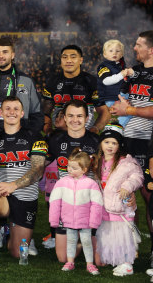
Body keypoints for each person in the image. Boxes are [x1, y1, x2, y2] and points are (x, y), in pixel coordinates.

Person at [0, 96, 47, 271]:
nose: (11, 112)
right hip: (4, 196)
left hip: (25, 197)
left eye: (16, 109)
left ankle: (7, 230)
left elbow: (38, 170)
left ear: (22, 113)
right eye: (7, 108)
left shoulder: (34, 137)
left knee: (17, 252)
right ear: (0, 113)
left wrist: (13, 185)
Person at [110, 30, 153, 252]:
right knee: (126, 194)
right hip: (130, 140)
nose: (134, 48)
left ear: (151, 49)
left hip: (150, 142)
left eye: (138, 45)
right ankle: (129, 250)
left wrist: (129, 109)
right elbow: (124, 102)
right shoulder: (134, 72)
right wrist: (119, 107)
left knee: (150, 196)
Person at [45, 100, 100, 258]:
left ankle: (85, 240)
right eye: (70, 116)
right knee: (63, 258)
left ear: (87, 117)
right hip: (67, 203)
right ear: (64, 117)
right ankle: (80, 242)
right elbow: (41, 165)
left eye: (79, 116)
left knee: (99, 260)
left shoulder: (96, 141)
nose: (75, 120)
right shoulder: (55, 141)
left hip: (89, 204)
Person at [94, 124, 143, 277]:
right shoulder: (97, 162)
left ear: (119, 145)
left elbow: (138, 176)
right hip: (104, 209)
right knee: (109, 237)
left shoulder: (126, 163)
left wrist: (127, 186)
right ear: (101, 143)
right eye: (107, 142)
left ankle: (127, 264)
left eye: (114, 143)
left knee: (123, 237)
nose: (110, 146)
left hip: (120, 209)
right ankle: (116, 259)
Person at [48, 149, 103, 275]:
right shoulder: (61, 182)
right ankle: (70, 261)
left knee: (86, 241)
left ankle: (90, 264)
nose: (69, 169)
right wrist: (54, 219)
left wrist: (94, 221)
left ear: (84, 170)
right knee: (71, 241)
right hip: (68, 220)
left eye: (74, 168)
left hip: (86, 221)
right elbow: (54, 201)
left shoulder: (91, 184)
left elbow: (97, 203)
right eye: (68, 166)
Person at [42, 44, 110, 134]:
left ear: (81, 60)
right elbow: (45, 112)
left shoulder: (92, 82)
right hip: (59, 135)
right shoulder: (52, 81)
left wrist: (94, 130)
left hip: (85, 134)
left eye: (73, 57)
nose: (68, 60)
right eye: (65, 57)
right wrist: (48, 131)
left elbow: (104, 112)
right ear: (61, 60)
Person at [97, 39, 133, 127]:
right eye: (111, 51)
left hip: (120, 95)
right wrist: (121, 74)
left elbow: (125, 80)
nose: (114, 53)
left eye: (118, 51)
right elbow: (106, 81)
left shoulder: (120, 65)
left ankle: (118, 127)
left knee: (131, 110)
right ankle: (116, 128)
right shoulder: (103, 66)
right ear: (105, 54)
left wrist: (131, 74)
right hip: (110, 97)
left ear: (121, 54)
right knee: (127, 112)